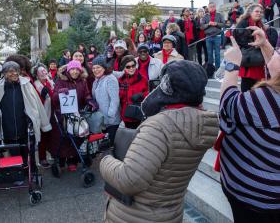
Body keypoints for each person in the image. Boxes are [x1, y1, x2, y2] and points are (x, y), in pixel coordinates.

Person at [100, 60, 219, 223]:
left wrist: (105, 158)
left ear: (167, 86)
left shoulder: (160, 127)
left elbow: (130, 180)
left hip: (136, 215)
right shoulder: (200, 123)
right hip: (170, 212)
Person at [218, 30, 280, 223]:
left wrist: (232, 66)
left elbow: (227, 108)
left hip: (253, 196)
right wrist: (265, 45)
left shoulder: (267, 99)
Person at [0, 61, 51, 177]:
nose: (13, 73)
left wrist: (37, 120)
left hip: (25, 125)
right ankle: (18, 174)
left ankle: (32, 171)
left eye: (15, 71)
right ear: (4, 73)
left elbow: (36, 104)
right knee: (14, 153)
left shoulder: (26, 85)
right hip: (8, 127)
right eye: (10, 71)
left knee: (28, 151)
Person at [52, 60, 92, 172]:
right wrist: (60, 92)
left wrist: (89, 100)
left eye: (77, 69)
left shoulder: (83, 81)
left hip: (76, 113)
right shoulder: (61, 80)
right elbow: (54, 98)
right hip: (62, 113)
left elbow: (86, 94)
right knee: (64, 137)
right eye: (72, 69)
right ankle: (61, 159)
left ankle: (73, 160)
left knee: (77, 135)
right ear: (68, 70)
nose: (75, 71)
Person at [233, 4, 274, 92]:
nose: (259, 13)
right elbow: (239, 38)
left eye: (260, 12)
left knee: (258, 87)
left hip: (259, 60)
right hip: (248, 59)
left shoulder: (260, 24)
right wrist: (254, 43)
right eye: (256, 11)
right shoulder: (243, 22)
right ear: (250, 12)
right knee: (247, 86)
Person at [91, 56, 121, 145]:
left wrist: (110, 115)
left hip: (111, 121)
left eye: (98, 67)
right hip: (102, 120)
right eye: (93, 68)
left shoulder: (110, 79)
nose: (95, 70)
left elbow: (114, 99)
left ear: (104, 68)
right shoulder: (96, 80)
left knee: (112, 145)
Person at [118, 55, 148, 129]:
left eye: (133, 66)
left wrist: (141, 95)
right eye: (128, 67)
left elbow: (150, 93)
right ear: (124, 68)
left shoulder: (142, 79)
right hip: (126, 116)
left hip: (139, 116)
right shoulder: (120, 80)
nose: (131, 68)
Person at [33, 65, 54, 168]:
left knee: (52, 135)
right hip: (42, 114)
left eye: (44, 70)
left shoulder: (50, 82)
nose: (43, 72)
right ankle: (42, 158)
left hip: (52, 113)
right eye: (40, 71)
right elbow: (34, 102)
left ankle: (52, 154)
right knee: (43, 137)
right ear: (36, 74)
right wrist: (41, 95)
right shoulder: (35, 85)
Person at [201, 2, 225, 69]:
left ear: (215, 7)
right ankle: (210, 69)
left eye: (213, 6)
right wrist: (208, 24)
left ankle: (217, 68)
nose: (212, 8)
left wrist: (216, 24)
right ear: (208, 8)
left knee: (217, 53)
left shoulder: (219, 15)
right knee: (209, 54)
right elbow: (202, 27)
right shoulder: (205, 16)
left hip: (217, 36)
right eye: (210, 7)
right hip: (208, 37)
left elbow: (223, 24)